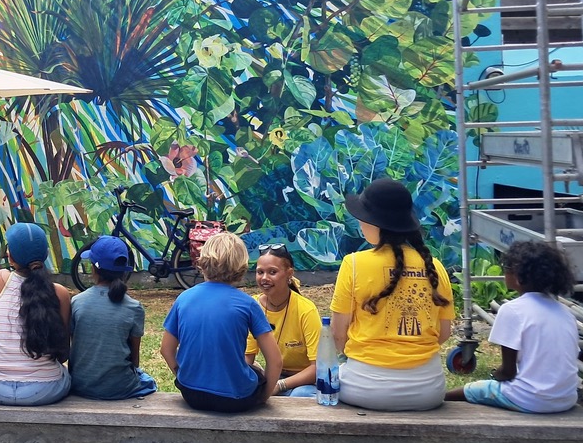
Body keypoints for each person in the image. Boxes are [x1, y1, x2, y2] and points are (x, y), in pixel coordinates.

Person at [331, 177, 454, 412]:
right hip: (428, 392)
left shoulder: (353, 264)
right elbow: (444, 333)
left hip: (363, 389)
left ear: (375, 222)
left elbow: (338, 335)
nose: (360, 223)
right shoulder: (436, 267)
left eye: (362, 218)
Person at [446, 241, 580, 413]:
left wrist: (494, 376)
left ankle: (438, 399)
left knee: (473, 389)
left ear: (517, 275)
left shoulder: (512, 310)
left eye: (506, 268)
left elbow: (507, 372)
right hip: (566, 399)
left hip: (531, 400)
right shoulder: (565, 313)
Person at [161, 231, 282, 412]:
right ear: (241, 266)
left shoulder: (184, 298)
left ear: (202, 262)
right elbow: (275, 361)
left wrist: (183, 375)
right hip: (236, 398)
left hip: (191, 394)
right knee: (255, 370)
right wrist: (263, 397)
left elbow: (166, 349)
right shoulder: (248, 304)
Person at [0, 223, 73, 406]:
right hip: (44, 390)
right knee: (65, 374)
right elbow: (63, 354)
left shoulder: (1, 278)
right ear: (46, 255)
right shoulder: (60, 293)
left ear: (10, 258)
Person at [69, 235, 158, 400]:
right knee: (149, 382)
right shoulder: (134, 307)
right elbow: (135, 359)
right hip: (120, 388)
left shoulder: (76, 302)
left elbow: (76, 346)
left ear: (94, 269)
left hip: (80, 385)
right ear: (125, 272)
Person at [246, 245, 323, 398]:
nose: (264, 278)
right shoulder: (253, 306)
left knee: (300, 395)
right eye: (260, 272)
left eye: (272, 272)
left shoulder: (306, 310)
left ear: (289, 274)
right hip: (274, 376)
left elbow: (318, 367)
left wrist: (279, 385)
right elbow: (248, 358)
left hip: (304, 382)